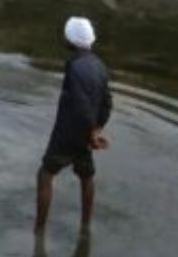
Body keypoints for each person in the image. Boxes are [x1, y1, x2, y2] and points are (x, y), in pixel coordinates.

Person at [35, 17, 113, 235]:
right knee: (87, 177)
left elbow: (80, 104)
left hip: (68, 133)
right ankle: (85, 226)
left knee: (45, 174)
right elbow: (107, 102)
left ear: (71, 41)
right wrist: (97, 129)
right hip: (87, 134)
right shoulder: (99, 65)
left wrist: (90, 130)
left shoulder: (75, 66)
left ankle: (39, 230)